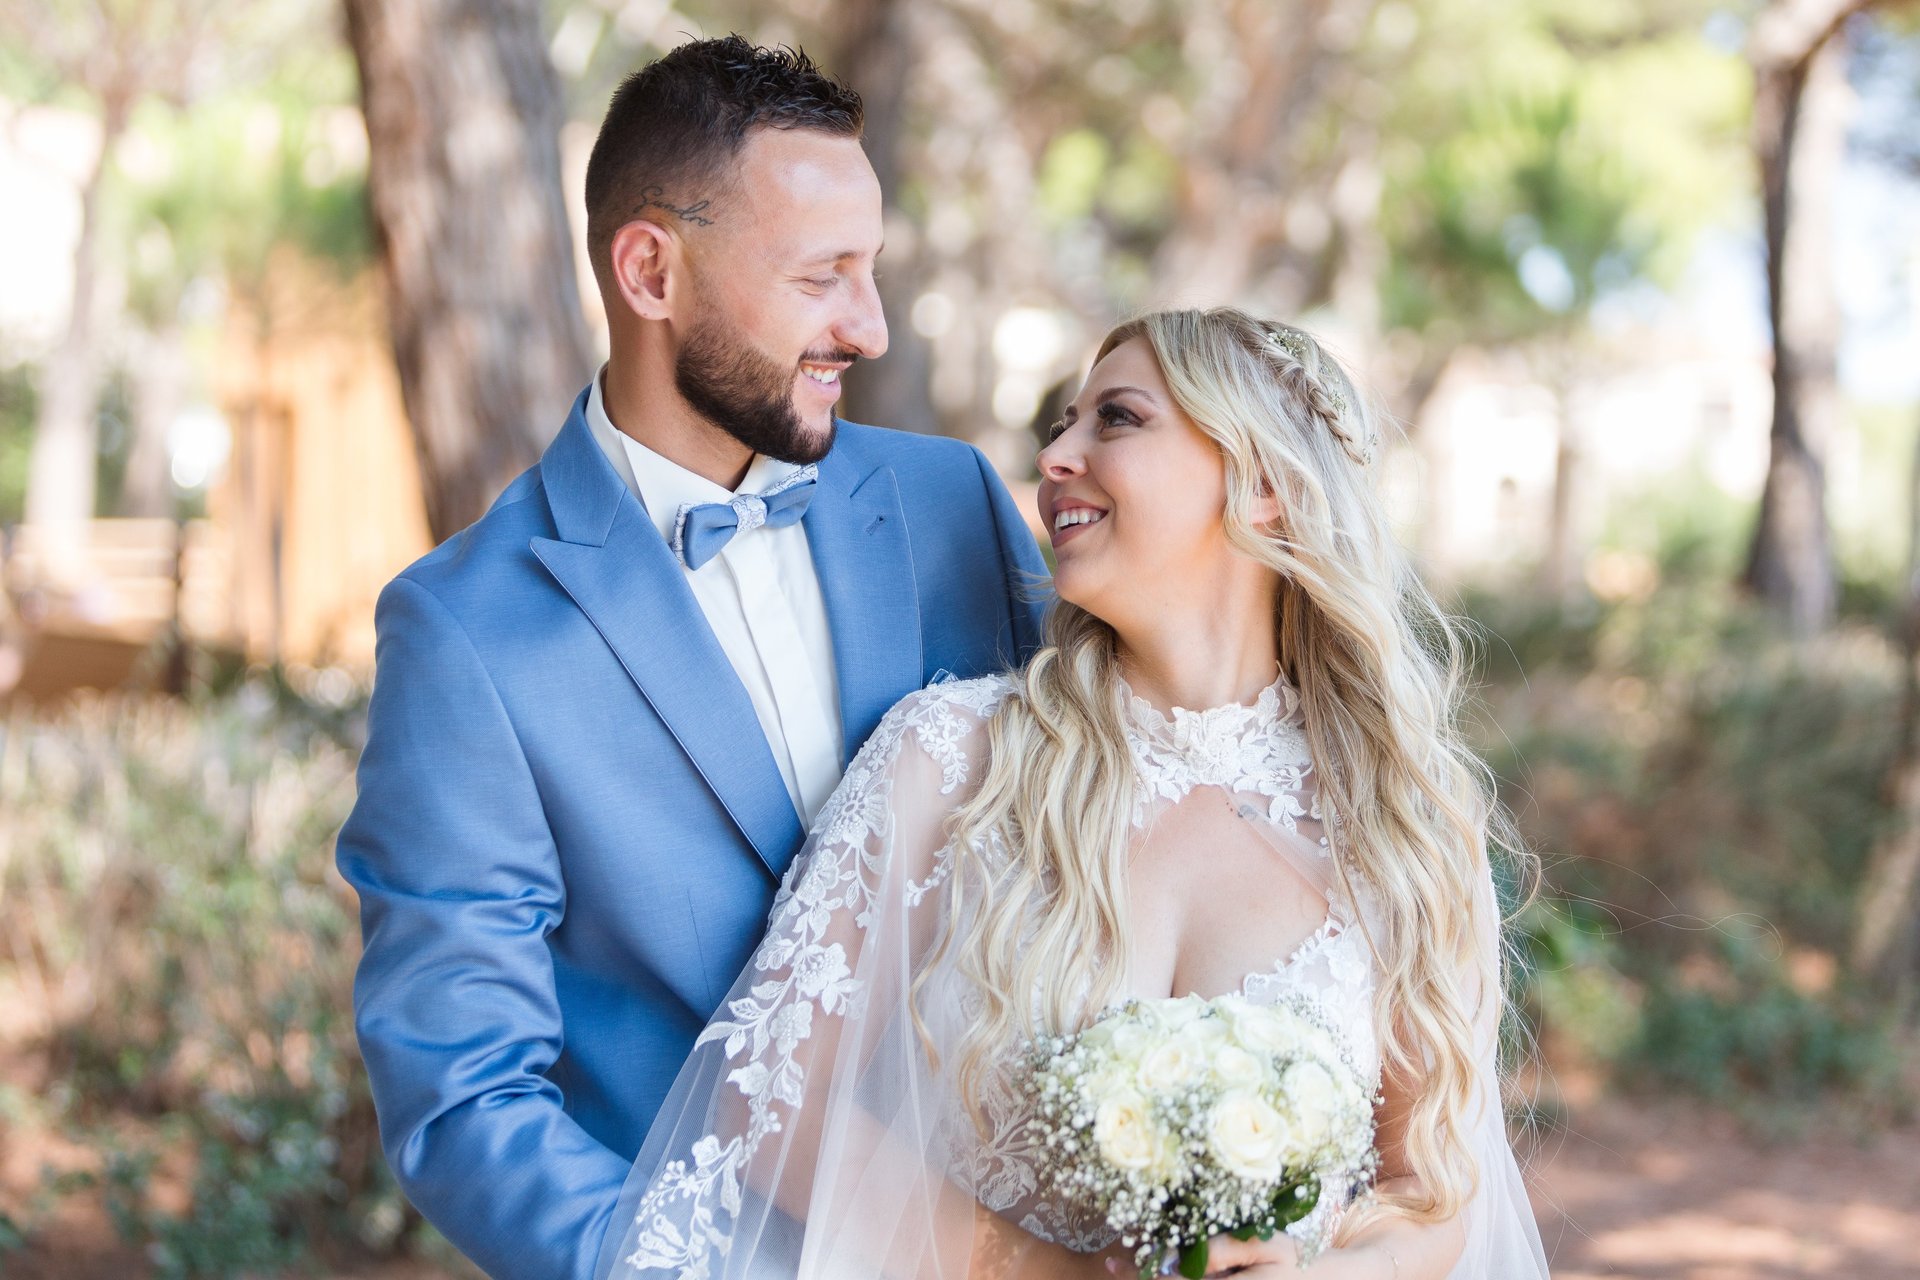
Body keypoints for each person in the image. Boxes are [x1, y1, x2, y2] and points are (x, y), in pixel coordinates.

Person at [596, 308, 1553, 1279]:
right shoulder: (951, 758)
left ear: (1267, 483)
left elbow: (1433, 1194)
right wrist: (1055, 1271)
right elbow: (770, 1095)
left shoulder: (1402, 820)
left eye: (1118, 419)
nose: (1057, 456)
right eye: (1062, 424)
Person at [335, 37, 1048, 1280]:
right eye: (822, 275)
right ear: (651, 269)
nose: (868, 327)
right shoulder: (466, 633)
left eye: (869, 270)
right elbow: (465, 1097)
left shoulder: (955, 508)